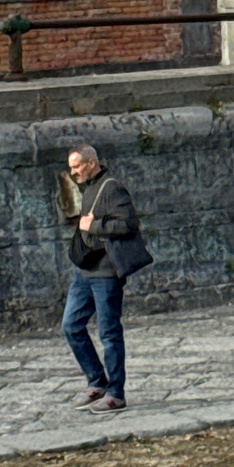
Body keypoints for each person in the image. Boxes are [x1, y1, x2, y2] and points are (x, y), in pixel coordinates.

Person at [59, 143, 152, 414]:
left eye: (77, 166)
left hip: (106, 273)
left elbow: (129, 224)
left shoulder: (112, 187)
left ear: (91, 162)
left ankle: (116, 394)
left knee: (109, 332)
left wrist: (94, 226)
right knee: (71, 326)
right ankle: (97, 383)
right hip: (85, 271)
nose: (73, 172)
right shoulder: (88, 187)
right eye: (71, 168)